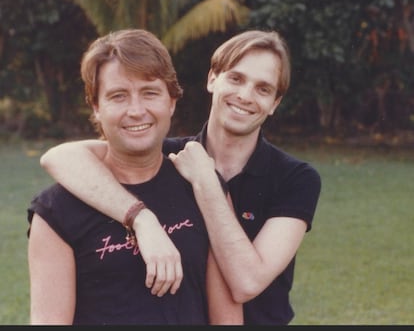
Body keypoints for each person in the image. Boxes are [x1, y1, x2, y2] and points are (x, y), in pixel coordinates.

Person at [40, 29, 322, 325]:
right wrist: (141, 219)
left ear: (275, 103)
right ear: (213, 79)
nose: (245, 96)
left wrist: (206, 181)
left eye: (263, 89)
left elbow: (246, 283)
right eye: (236, 79)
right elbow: (59, 157)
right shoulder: (167, 155)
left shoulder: (295, 178)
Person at [27, 29, 242, 325]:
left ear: (171, 101)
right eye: (118, 96)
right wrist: (142, 220)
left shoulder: (203, 184)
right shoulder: (56, 210)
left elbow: (228, 319)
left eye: (150, 92)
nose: (136, 111)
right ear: (96, 107)